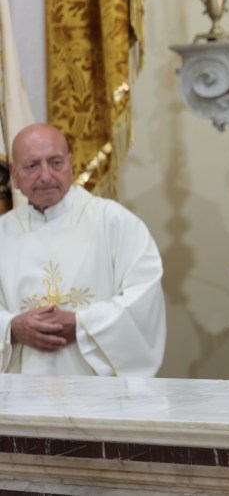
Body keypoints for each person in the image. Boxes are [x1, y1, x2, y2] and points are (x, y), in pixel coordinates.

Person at [0, 123, 166, 376]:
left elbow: (144, 299)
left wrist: (81, 325)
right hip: (19, 396)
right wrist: (11, 328)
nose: (45, 176)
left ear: (71, 164)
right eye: (32, 166)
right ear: (14, 172)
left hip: (99, 396)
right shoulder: (3, 232)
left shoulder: (114, 222)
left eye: (55, 162)